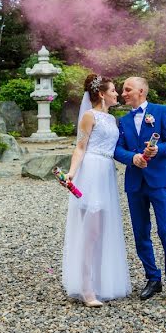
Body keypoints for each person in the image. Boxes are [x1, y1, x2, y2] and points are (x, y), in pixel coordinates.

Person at [61, 74, 131, 307]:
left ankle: (99, 282)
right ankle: (86, 287)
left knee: (101, 230)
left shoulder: (111, 119)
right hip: (91, 171)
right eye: (113, 90)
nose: (117, 94)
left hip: (106, 172)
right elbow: (80, 148)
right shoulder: (89, 116)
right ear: (101, 94)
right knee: (90, 232)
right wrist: (71, 173)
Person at [114, 76, 166, 306]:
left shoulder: (161, 111)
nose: (123, 93)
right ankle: (152, 279)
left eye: (127, 89)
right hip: (135, 182)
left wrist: (158, 150)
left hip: (159, 180)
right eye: (123, 90)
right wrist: (132, 158)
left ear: (141, 90)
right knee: (140, 233)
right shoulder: (122, 121)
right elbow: (117, 150)